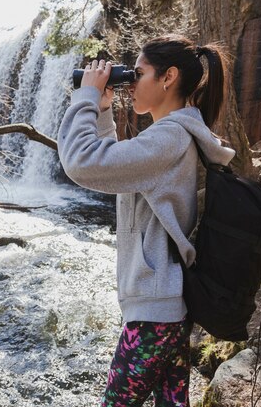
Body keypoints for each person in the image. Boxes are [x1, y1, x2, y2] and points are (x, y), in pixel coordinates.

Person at [57, 34, 236, 406]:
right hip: (168, 306)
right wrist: (104, 112)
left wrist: (87, 98)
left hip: (156, 312)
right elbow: (111, 171)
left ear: (168, 77)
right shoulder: (171, 136)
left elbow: (81, 163)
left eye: (137, 74)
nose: (130, 83)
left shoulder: (169, 138)